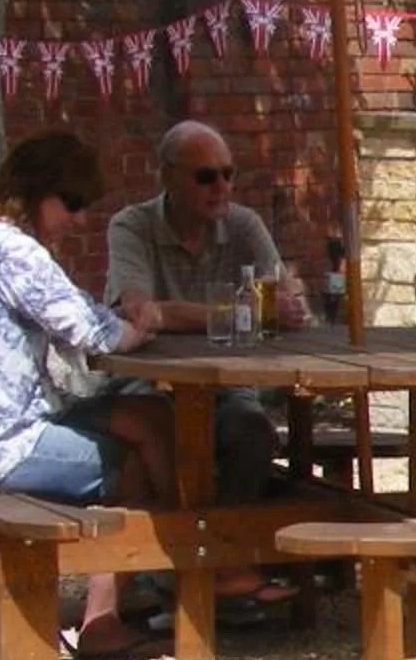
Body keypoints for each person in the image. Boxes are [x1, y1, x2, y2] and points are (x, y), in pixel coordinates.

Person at [0, 130, 169, 660]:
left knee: (147, 418)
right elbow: (92, 332)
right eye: (71, 203)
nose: (79, 218)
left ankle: (187, 571)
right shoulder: (14, 250)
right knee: (144, 451)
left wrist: (115, 321)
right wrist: (140, 325)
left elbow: (74, 313)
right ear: (35, 191)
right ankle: (121, 611)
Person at [104, 118, 303, 503]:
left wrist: (172, 314)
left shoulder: (243, 225)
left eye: (228, 174)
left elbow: (285, 308)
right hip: (147, 380)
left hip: (228, 383)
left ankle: (229, 541)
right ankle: (180, 548)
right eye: (206, 176)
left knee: (253, 432)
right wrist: (247, 312)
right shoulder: (132, 226)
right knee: (155, 430)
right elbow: (138, 312)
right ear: (168, 177)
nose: (222, 188)